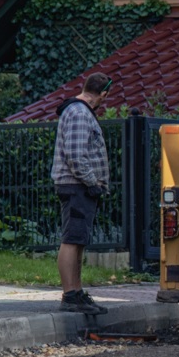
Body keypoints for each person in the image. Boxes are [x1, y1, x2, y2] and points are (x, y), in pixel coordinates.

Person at [52, 73, 113, 314]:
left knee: (78, 241)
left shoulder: (78, 111)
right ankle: (70, 295)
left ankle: (76, 293)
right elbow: (75, 155)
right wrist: (91, 182)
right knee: (71, 239)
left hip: (79, 186)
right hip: (77, 186)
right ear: (103, 94)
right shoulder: (79, 113)